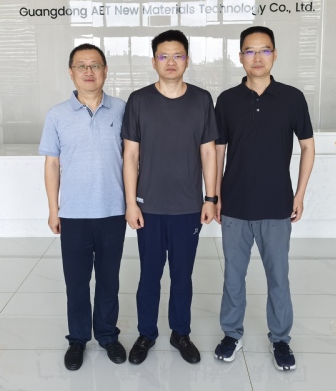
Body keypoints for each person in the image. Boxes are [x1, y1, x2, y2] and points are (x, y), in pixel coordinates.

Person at [213, 26, 315, 371]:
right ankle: (231, 334)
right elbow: (218, 151)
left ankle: (281, 339)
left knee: (278, 276)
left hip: (276, 204)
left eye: (265, 50)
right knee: (233, 277)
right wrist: (214, 196)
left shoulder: (292, 98)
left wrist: (299, 193)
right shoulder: (227, 100)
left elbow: (307, 147)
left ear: (275, 54)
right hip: (235, 205)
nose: (257, 57)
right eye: (250, 51)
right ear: (240, 56)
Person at [122, 29, 218, 365]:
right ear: (154, 62)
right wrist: (131, 202)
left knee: (182, 275)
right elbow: (130, 156)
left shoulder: (202, 99)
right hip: (148, 206)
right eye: (164, 56)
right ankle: (146, 333)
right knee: (149, 275)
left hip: (188, 206)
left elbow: (209, 152)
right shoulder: (139, 100)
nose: (171, 62)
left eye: (178, 55)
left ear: (187, 60)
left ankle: (181, 332)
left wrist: (210, 198)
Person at [39, 43, 127, 371]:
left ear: (105, 71)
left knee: (108, 280)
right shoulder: (57, 114)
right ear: (71, 72)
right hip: (73, 214)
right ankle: (77, 339)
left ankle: (107, 335)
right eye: (81, 66)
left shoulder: (122, 109)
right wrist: (53, 209)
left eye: (95, 65)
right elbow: (52, 164)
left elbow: (134, 159)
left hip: (113, 211)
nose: (89, 72)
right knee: (76, 282)